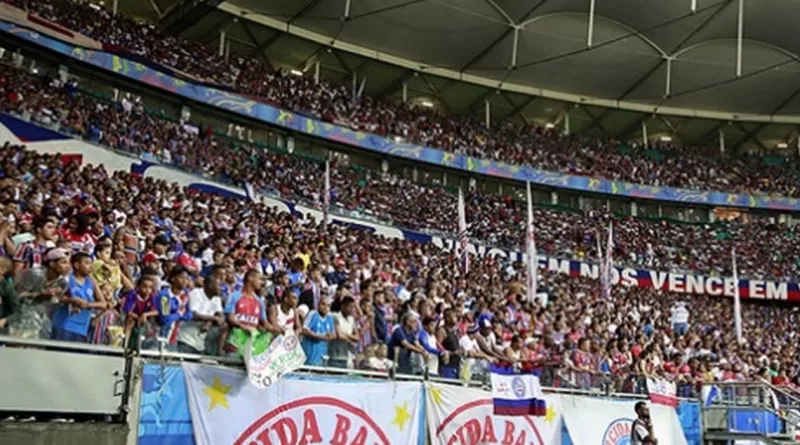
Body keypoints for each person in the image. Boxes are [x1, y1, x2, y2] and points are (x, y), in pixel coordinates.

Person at [50, 252, 110, 343]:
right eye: (87, 263)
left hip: (82, 329)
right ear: (77, 265)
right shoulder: (67, 279)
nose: (90, 266)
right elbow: (54, 297)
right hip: (64, 326)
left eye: (91, 264)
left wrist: (88, 305)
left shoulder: (91, 282)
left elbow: (103, 304)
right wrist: (72, 300)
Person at [177, 268, 224, 354]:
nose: (221, 288)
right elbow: (193, 315)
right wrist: (213, 318)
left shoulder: (216, 298)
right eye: (218, 286)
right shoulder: (196, 293)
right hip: (185, 339)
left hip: (199, 343)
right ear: (210, 285)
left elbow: (219, 318)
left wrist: (209, 321)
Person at [153, 266, 193, 350]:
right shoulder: (165, 296)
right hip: (160, 337)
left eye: (187, 278)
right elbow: (165, 319)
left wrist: (175, 315)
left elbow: (189, 315)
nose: (185, 281)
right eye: (182, 277)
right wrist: (180, 314)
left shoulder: (185, 295)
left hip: (173, 339)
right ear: (173, 279)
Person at [300, 298, 336, 366]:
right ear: (318, 305)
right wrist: (322, 336)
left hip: (322, 357)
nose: (325, 307)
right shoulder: (313, 314)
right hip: (310, 357)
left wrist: (330, 336)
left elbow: (333, 335)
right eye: (323, 304)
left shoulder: (329, 318)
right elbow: (304, 330)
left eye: (328, 306)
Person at [329, 296, 359, 368]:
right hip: (334, 355)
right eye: (349, 307)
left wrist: (345, 334)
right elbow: (339, 335)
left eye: (353, 307)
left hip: (346, 355)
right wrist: (351, 340)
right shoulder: (335, 316)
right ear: (343, 306)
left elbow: (357, 337)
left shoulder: (352, 319)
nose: (352, 309)